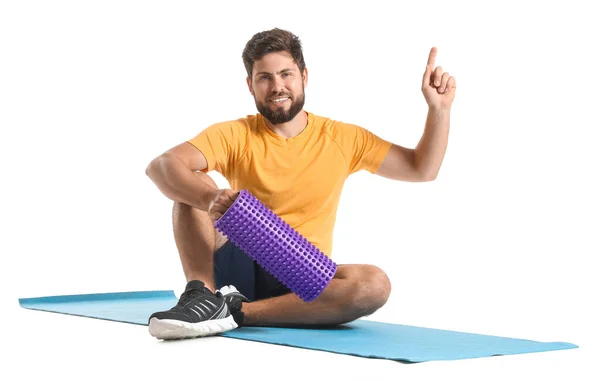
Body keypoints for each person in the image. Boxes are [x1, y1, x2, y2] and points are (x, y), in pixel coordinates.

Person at [145, 28, 456, 340]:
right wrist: (209, 197)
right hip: (241, 256)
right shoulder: (235, 134)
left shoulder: (342, 138)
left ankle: (234, 312)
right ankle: (200, 295)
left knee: (374, 284)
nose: (277, 86)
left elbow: (421, 169)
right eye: (264, 77)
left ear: (304, 76)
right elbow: (161, 166)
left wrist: (439, 109)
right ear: (250, 86)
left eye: (285, 74)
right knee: (192, 180)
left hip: (304, 272)